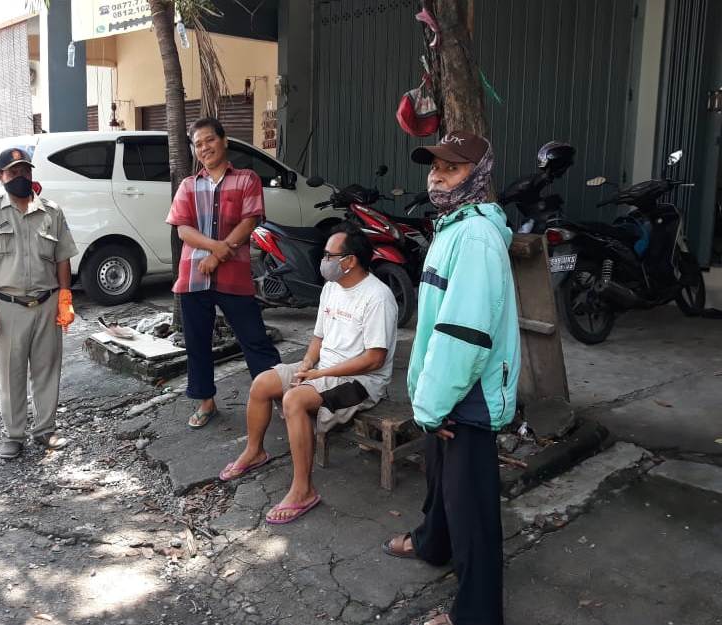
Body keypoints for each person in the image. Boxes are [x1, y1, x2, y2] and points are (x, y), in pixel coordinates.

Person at [381, 130, 521, 625]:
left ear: (479, 176)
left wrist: (432, 404)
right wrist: (428, 395)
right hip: (446, 391)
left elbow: (464, 334)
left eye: (453, 167)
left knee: (472, 511)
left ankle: (477, 614)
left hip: (468, 396)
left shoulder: (477, 238)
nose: (438, 174)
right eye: (435, 165)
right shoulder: (454, 225)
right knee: (440, 481)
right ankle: (431, 543)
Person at [219, 223, 398, 524]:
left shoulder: (377, 297)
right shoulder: (332, 288)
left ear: (350, 260)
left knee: (294, 401)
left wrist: (320, 374)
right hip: (323, 370)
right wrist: (305, 365)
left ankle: (303, 490)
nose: (323, 260)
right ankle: (254, 452)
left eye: (329, 255)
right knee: (263, 382)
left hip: (360, 382)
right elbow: (318, 337)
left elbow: (373, 360)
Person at [165, 117, 281, 428]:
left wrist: (216, 258)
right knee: (198, 343)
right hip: (193, 278)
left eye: (209, 141)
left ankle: (279, 393)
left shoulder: (246, 179)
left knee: (254, 337)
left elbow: (249, 223)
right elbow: (183, 231)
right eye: (197, 144)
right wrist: (216, 248)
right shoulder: (189, 185)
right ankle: (206, 402)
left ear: (224, 140)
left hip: (234, 276)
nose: (204, 148)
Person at [0, 147, 77, 460]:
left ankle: (45, 430)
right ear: (2, 177)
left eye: (25, 171)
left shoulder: (52, 212)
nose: (20, 177)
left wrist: (65, 300)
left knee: (47, 371)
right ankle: (13, 435)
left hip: (47, 303)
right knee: (11, 374)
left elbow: (62, 260)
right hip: (8, 307)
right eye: (13, 172)